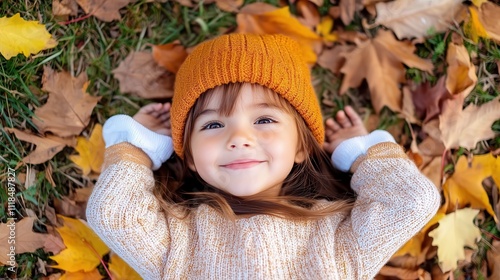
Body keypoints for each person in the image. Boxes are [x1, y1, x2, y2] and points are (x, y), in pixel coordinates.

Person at [86, 33, 440, 279]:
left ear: (301, 146)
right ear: (190, 156)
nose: (239, 138)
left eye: (265, 119)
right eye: (212, 125)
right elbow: (113, 214)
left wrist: (363, 155)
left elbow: (411, 202)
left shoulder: (334, 239)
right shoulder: (180, 239)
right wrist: (137, 148)